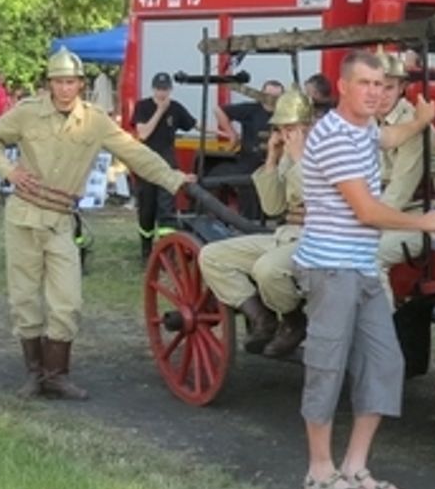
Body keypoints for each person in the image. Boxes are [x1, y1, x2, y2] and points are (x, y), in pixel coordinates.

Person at [0, 47, 194, 400]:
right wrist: (8, 171)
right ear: (48, 84)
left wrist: (174, 179)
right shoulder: (27, 114)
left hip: (62, 220)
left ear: (81, 84)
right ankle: (35, 374)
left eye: (71, 82)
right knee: (24, 299)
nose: (64, 89)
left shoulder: (95, 120)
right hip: (22, 216)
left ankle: (57, 374)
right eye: (58, 82)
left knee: (67, 301)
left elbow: (136, 153)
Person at [294, 50, 435, 489]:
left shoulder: (362, 130)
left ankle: (354, 466)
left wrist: (422, 120)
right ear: (342, 86)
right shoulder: (335, 137)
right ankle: (319, 471)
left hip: (361, 267)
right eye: (364, 83)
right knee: (327, 365)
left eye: (380, 85)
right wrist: (423, 223)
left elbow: (389, 137)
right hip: (331, 267)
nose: (373, 92)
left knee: (386, 363)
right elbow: (365, 210)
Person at [199, 88, 313, 359]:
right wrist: (272, 160)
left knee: (268, 269)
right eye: (281, 128)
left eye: (291, 127)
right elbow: (273, 207)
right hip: (286, 234)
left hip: (316, 236)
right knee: (213, 256)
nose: (285, 134)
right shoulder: (287, 153)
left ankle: (293, 320)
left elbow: (317, 200)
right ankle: (262, 318)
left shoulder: (325, 150)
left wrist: (298, 158)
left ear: (308, 125)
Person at [374, 52, 435, 303]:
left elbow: (399, 191)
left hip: (425, 214)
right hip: (395, 213)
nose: (382, 95)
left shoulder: (412, 125)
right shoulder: (370, 122)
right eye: (376, 86)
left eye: (389, 87)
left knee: (368, 255)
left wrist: (362, 223)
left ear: (402, 89)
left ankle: (381, 337)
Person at [132, 71, 196, 260]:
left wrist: (224, 132)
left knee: (166, 210)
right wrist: (160, 111)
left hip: (168, 165)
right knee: (147, 210)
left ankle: (167, 254)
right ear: (153, 89)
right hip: (146, 165)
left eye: (166, 89)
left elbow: (194, 124)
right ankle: (146, 252)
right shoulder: (142, 107)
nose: (162, 93)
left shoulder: (175, 108)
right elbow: (143, 134)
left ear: (170, 89)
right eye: (159, 89)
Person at [213, 80, 280, 219]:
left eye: (276, 96)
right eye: (268, 95)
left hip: (274, 165)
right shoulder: (251, 110)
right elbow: (218, 110)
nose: (271, 100)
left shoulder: (285, 114)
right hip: (249, 163)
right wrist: (232, 134)